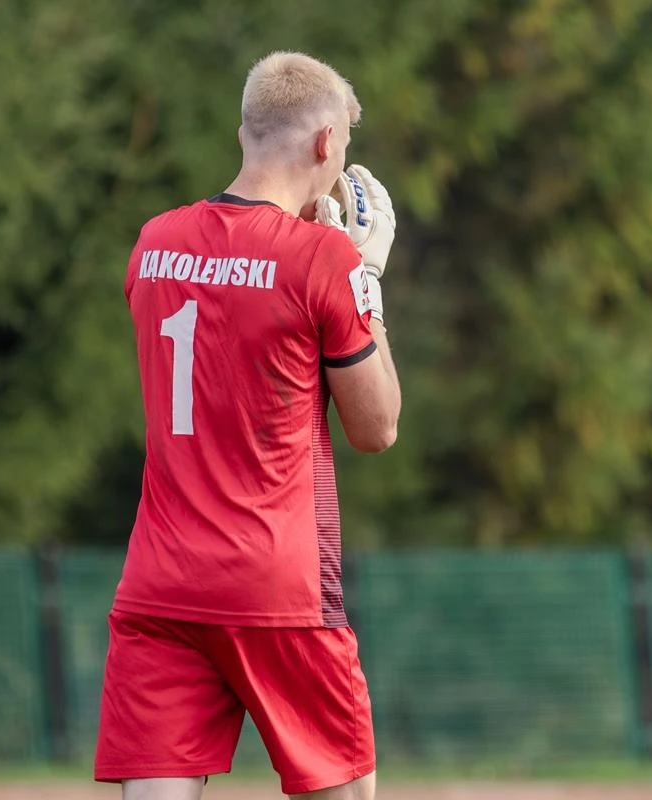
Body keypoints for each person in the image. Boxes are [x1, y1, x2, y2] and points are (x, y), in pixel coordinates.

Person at [93, 50, 402, 800]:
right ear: (326, 143)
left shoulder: (154, 240)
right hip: (278, 584)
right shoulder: (323, 258)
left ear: (243, 133)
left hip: (161, 581)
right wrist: (364, 280)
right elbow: (376, 427)